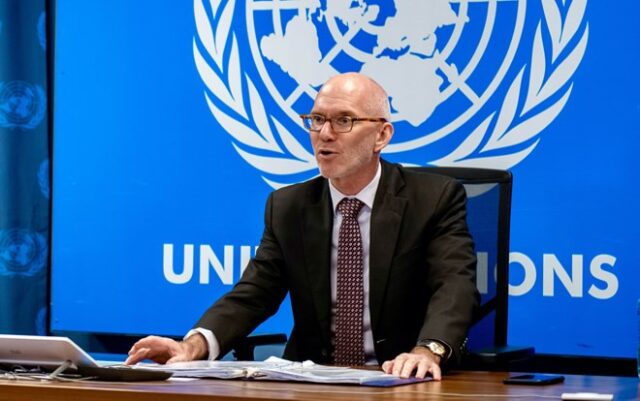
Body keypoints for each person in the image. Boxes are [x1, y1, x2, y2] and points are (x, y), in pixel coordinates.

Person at [126, 72, 479, 380]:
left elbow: (454, 285)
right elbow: (255, 293)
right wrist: (192, 346)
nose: (325, 134)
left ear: (381, 136)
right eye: (317, 119)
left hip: (400, 377)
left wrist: (429, 350)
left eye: (344, 121)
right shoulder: (288, 206)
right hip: (312, 381)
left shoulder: (433, 199)